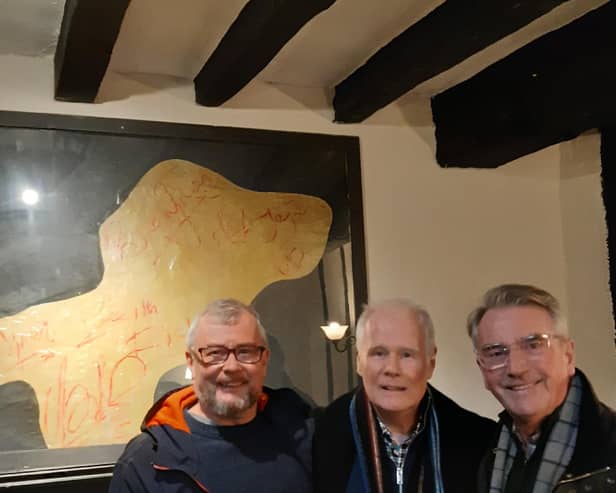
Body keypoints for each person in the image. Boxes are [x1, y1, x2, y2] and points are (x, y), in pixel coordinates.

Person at [109, 298, 312, 493]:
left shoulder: (303, 437)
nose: (232, 367)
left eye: (246, 352)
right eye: (215, 353)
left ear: (264, 360)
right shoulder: (146, 463)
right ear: (191, 362)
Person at [313, 298, 496, 493]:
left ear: (430, 363)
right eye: (379, 353)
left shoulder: (476, 440)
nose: (392, 369)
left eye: (407, 355)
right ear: (359, 361)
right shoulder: (321, 433)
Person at [467, 284, 616, 492]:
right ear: (482, 369)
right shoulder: (488, 454)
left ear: (568, 355)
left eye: (534, 345)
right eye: (496, 352)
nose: (516, 368)